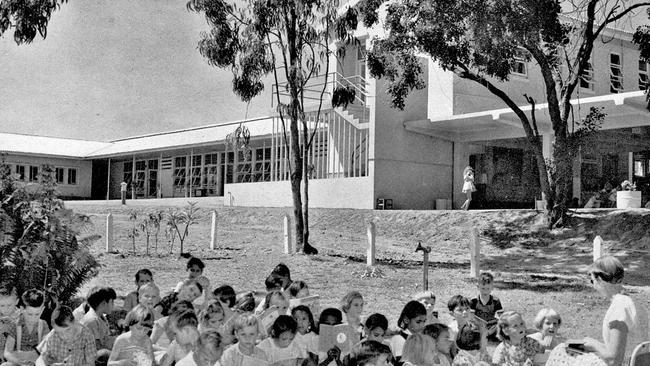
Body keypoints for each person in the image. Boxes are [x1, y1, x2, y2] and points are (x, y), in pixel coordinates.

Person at [582, 256, 649, 366]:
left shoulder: (619, 309)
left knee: (563, 353)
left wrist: (594, 345)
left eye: (592, 280)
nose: (593, 286)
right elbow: (622, 347)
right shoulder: (634, 302)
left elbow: (614, 360)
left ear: (599, 280)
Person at [3, 289, 49, 366]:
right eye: (30, 314)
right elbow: (7, 353)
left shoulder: (43, 325)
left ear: (42, 309)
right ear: (22, 309)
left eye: (37, 314)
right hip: (19, 362)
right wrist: (20, 363)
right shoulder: (15, 325)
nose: (33, 318)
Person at [80, 287, 117, 365]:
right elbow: (97, 348)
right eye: (112, 302)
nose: (113, 305)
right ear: (104, 303)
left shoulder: (100, 317)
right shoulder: (91, 321)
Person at [470, 272, 502, 341]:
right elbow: (471, 316)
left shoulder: (495, 301)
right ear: (478, 287)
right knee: (469, 328)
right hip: (478, 326)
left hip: (491, 326)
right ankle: (484, 335)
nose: (485, 291)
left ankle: (489, 335)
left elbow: (501, 316)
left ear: (492, 287)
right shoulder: (474, 300)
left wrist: (499, 322)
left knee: (502, 326)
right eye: (483, 288)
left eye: (488, 288)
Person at [0, 287, 20, 363]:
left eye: (9, 305)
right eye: (2, 306)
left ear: (16, 301)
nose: (6, 309)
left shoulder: (22, 316)